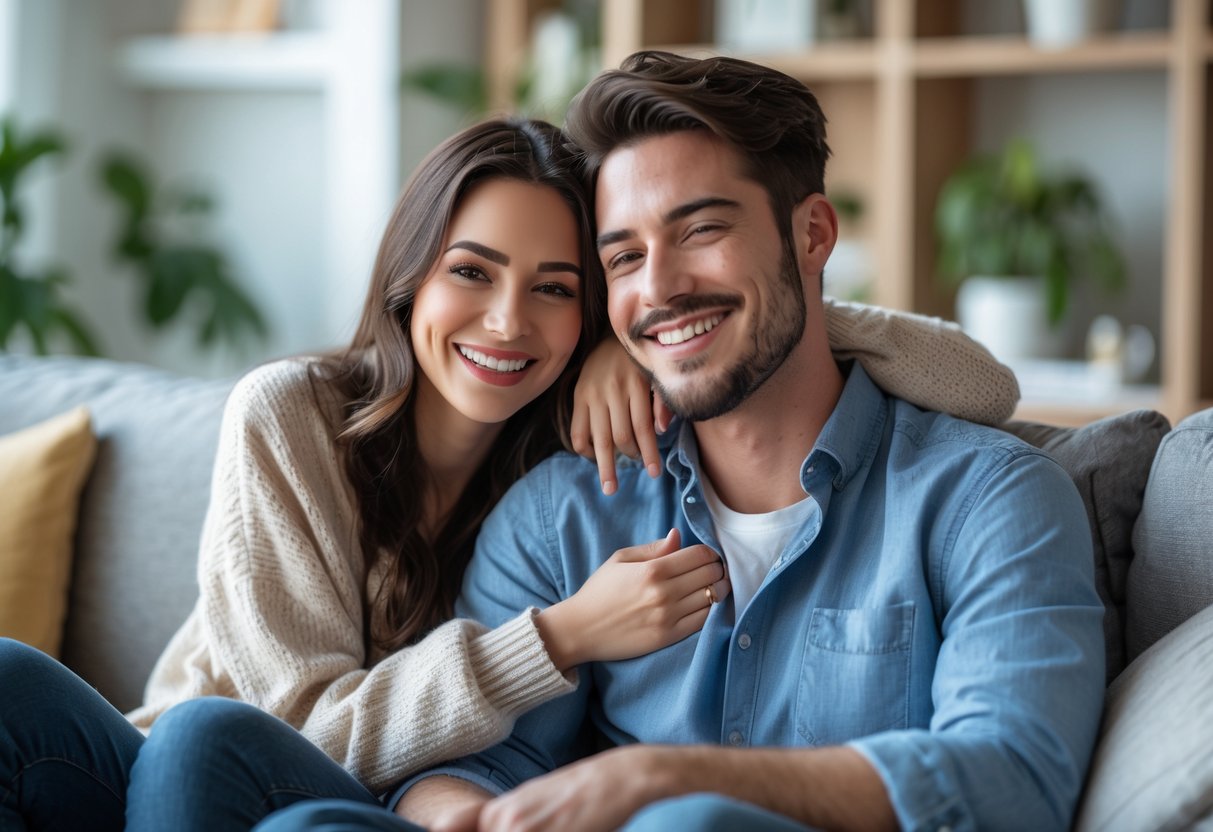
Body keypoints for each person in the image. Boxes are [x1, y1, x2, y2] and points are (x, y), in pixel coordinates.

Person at [0, 113, 1016, 831]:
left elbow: (978, 379)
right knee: (87, 704)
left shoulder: (576, 453)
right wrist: (561, 634)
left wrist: (674, 323)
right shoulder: (294, 414)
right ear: (410, 279)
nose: (505, 323)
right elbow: (300, 726)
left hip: (358, 800)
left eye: (556, 288)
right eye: (471, 273)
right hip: (215, 767)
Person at [262, 53, 1104, 832]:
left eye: (701, 230)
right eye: (624, 257)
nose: (658, 288)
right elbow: (473, 764)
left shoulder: (988, 499)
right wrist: (468, 817)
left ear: (812, 235)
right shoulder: (564, 513)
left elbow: (1012, 775)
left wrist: (666, 781)